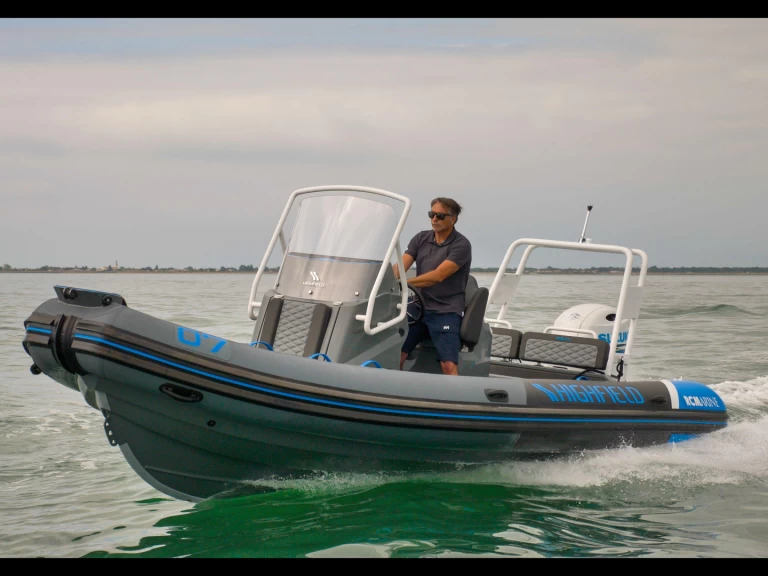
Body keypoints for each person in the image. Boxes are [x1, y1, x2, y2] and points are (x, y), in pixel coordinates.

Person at [396, 197, 472, 375]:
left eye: (440, 216)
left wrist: (403, 283)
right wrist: (383, 280)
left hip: (445, 310)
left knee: (448, 364)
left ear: (453, 219)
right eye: (431, 214)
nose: (434, 219)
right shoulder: (421, 238)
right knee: (396, 354)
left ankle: (454, 401)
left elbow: (437, 276)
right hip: (418, 306)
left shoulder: (461, 245)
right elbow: (400, 267)